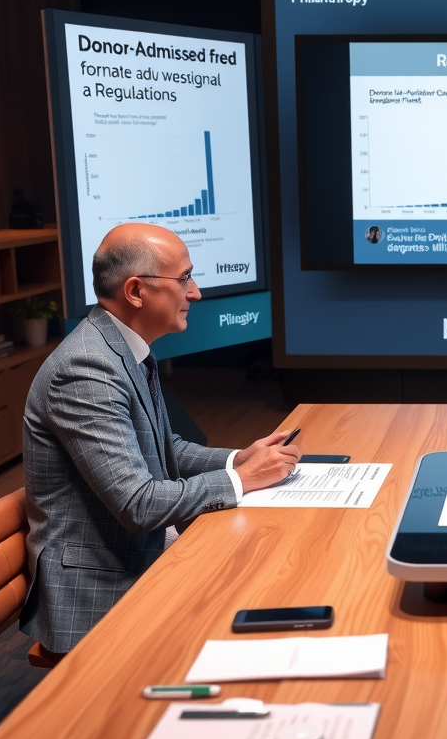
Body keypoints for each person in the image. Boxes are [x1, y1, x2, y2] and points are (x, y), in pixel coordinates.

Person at [20, 223, 301, 656]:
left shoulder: (120, 347)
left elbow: (163, 446)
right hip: (100, 591)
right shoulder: (85, 371)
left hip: (134, 558)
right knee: (271, 585)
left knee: (272, 569)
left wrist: (238, 459)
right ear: (136, 291)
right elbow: (139, 504)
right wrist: (242, 480)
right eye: (185, 278)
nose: (196, 293)